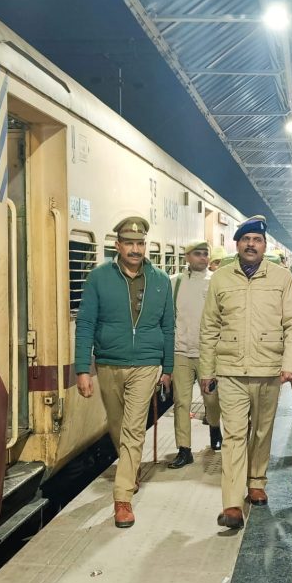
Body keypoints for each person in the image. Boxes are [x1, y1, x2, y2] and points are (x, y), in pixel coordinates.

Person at [199, 215, 292, 529]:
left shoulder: (282, 277)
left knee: (261, 430)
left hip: (269, 368)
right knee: (234, 435)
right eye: (245, 239)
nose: (251, 244)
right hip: (230, 369)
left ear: (264, 245)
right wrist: (207, 370)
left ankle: (256, 481)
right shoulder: (221, 278)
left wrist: (289, 364)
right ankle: (232, 504)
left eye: (257, 240)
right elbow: (209, 327)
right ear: (237, 244)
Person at [75, 215, 174, 529]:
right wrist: (82, 368)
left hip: (146, 363)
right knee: (117, 426)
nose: (135, 249)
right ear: (117, 246)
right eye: (129, 243)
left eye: (140, 243)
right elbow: (86, 324)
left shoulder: (160, 280)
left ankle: (122, 498)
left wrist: (168, 367)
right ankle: (131, 471)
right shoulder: (99, 278)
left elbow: (168, 327)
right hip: (109, 363)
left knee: (132, 429)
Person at [167, 240, 222, 469]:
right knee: (181, 402)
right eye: (197, 254)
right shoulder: (175, 282)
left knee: (212, 399)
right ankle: (184, 449)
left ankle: (215, 428)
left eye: (205, 254)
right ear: (187, 257)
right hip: (180, 351)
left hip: (207, 352)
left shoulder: (216, 281)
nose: (203, 258)